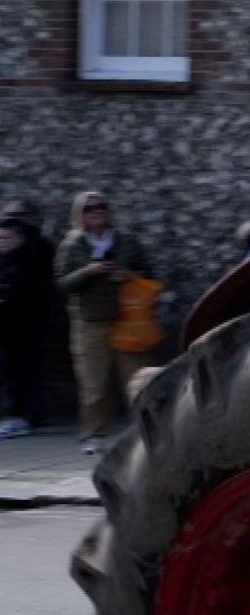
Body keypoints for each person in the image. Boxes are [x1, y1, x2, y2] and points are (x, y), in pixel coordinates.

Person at [54, 191, 153, 454]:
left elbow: (149, 275)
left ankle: (145, 431)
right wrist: (87, 272)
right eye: (89, 208)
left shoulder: (128, 241)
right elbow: (62, 282)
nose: (96, 211)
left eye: (101, 207)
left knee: (136, 379)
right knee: (93, 383)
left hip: (128, 320)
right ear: (80, 214)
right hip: (90, 321)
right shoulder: (72, 245)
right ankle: (94, 434)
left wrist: (128, 275)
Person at [0, 202, 55, 438]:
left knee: (27, 370)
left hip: (30, 322)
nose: (14, 221)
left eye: (19, 216)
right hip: (6, 324)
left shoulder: (39, 248)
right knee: (10, 370)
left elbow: (35, 287)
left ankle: (25, 415)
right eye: (9, 216)